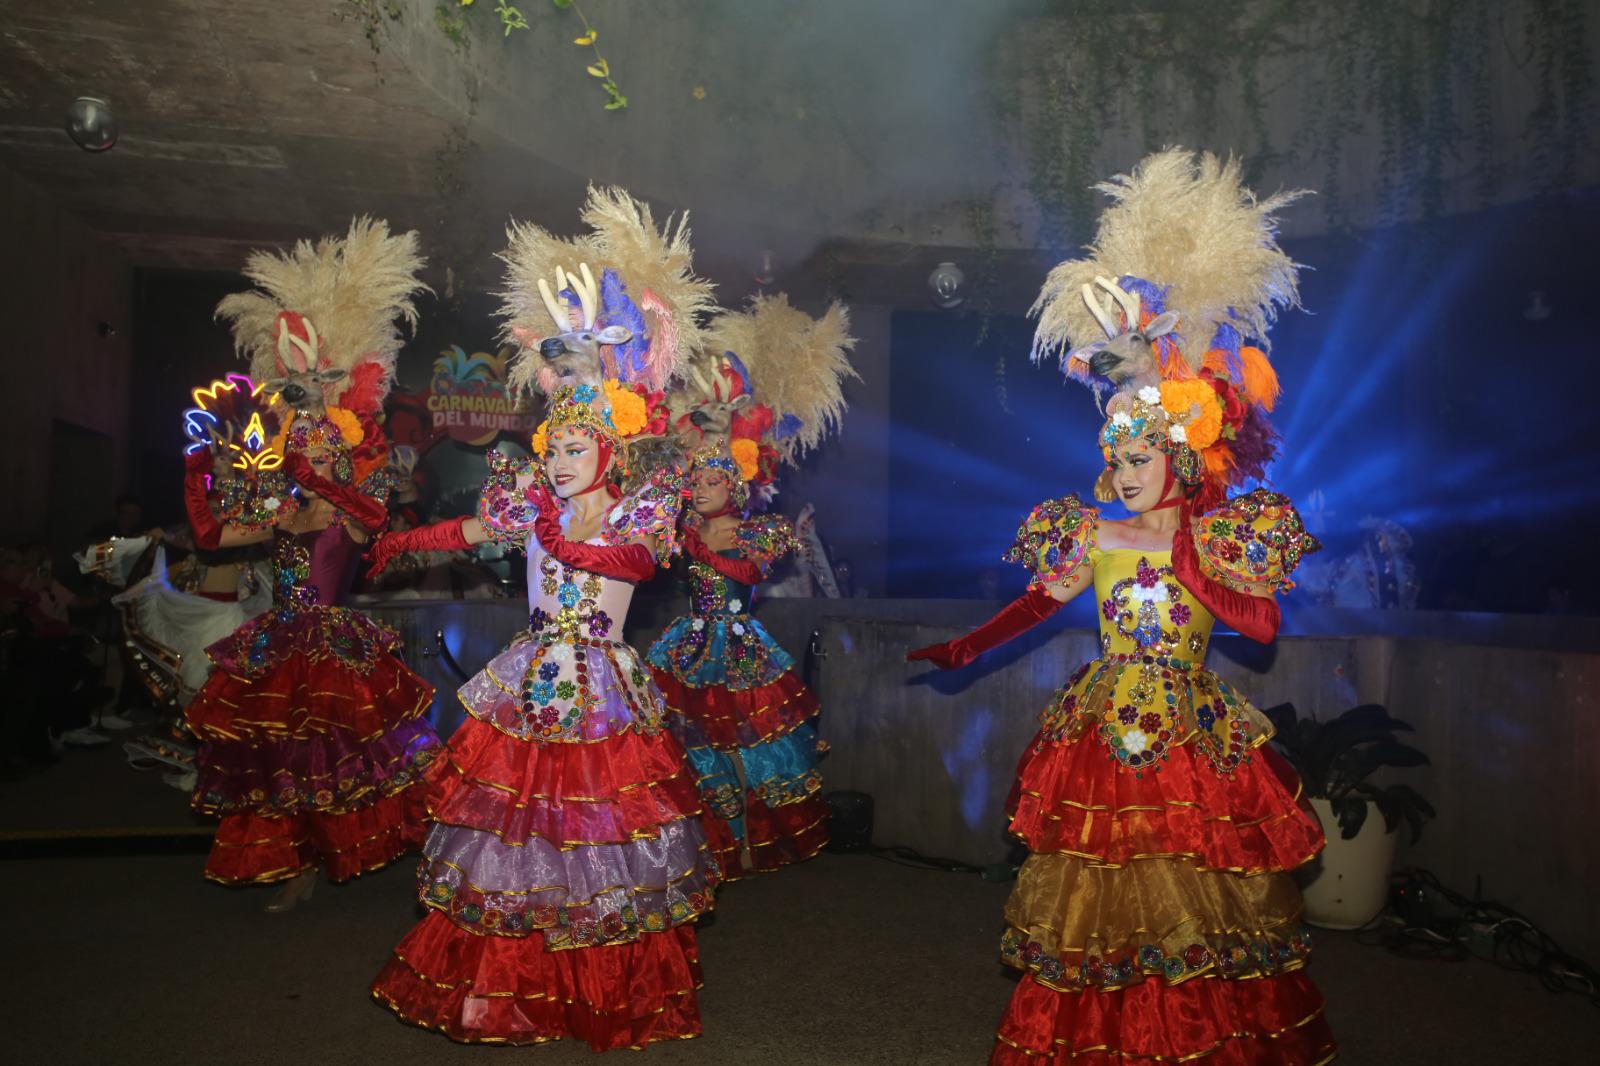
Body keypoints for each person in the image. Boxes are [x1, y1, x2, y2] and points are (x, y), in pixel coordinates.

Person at [910, 150, 1336, 1064]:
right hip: (1103, 728)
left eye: (1140, 460)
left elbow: (1260, 632)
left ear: (1177, 461)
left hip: (1190, 730)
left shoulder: (1225, 534)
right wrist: (964, 649)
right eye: (1116, 461)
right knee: (1097, 893)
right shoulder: (1092, 533)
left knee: (1194, 894)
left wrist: (1194, 562)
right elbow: (1032, 607)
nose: (1121, 473)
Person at [366, 384, 720, 1048]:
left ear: (610, 454)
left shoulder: (638, 514)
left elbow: (627, 563)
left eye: (576, 448)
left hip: (602, 697)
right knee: (519, 839)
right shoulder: (535, 509)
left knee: (598, 838)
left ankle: (599, 992)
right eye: (553, 448)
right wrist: (406, 541)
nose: (559, 461)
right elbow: (470, 530)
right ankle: (517, 991)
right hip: (531, 687)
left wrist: (553, 528)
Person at [184, 217, 440, 911]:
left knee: (354, 764)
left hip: (332, 649)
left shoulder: (348, 505)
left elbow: (372, 520)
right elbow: (212, 538)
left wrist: (310, 471)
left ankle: (417, 855)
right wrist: (196, 464)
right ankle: (299, 866)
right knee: (282, 767)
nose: (316, 460)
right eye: (309, 452)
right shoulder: (288, 501)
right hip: (278, 641)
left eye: (329, 453)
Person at [646, 442, 830, 877]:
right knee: (695, 748)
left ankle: (748, 842)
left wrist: (700, 548)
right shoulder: (682, 527)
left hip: (738, 646)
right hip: (688, 645)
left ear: (733, 489)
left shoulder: (756, 531)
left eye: (712, 482)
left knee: (745, 749)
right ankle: (708, 845)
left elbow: (748, 574)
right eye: (696, 482)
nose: (702, 489)